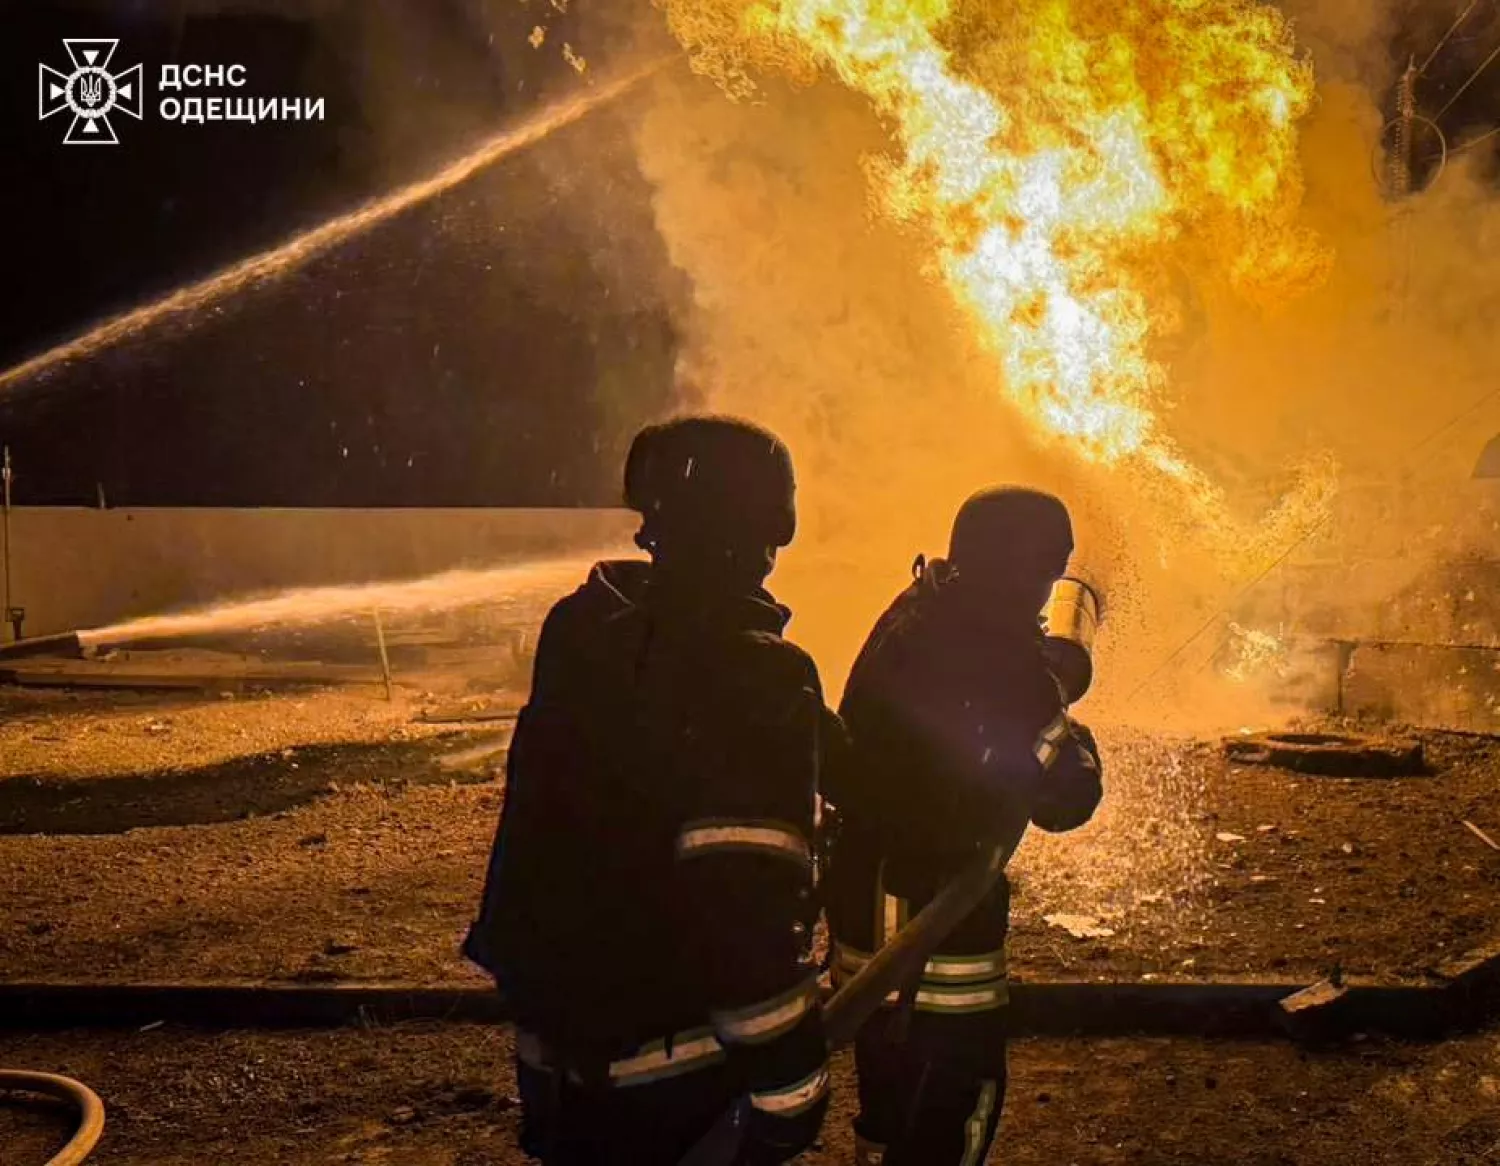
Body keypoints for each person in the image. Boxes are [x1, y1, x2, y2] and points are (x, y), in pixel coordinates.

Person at [464, 415, 831, 1165]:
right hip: (676, 1080)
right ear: (774, 522)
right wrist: (793, 1084)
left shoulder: (585, 629)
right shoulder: (754, 673)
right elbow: (740, 908)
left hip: (559, 1061)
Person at [822, 486, 1104, 1166]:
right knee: (956, 1107)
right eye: (1044, 573)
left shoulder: (915, 611)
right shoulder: (1001, 661)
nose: (1044, 596)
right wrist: (1079, 738)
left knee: (886, 1104)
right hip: (939, 932)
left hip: (861, 910)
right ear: (1017, 569)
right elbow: (1064, 800)